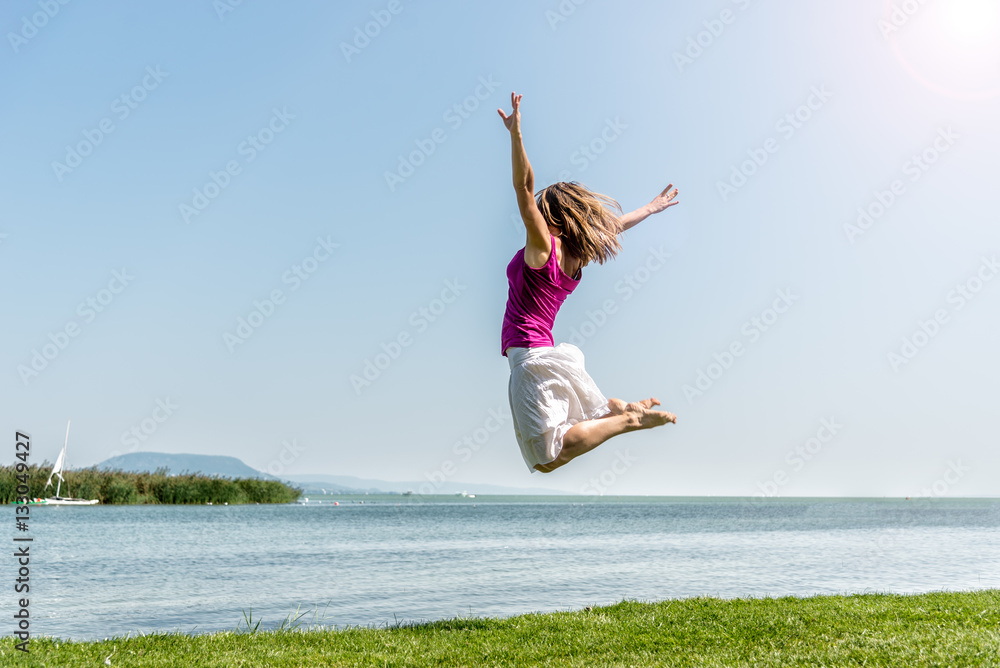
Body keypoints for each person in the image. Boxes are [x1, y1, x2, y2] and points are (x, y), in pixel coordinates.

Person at [498, 91, 679, 474]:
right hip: (544, 354)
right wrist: (651, 208)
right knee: (557, 445)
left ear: (552, 217)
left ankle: (624, 420)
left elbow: (522, 189)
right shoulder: (577, 256)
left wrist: (516, 134)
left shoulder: (543, 247)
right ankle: (619, 409)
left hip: (530, 359)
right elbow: (616, 225)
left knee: (546, 458)